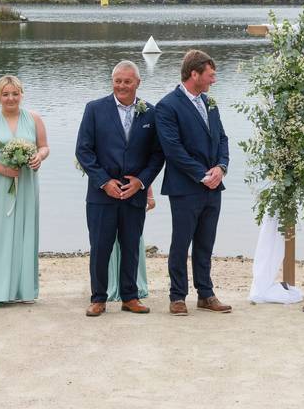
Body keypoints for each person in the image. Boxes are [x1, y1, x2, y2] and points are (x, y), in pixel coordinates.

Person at [76, 61, 164, 317]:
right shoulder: (94, 109)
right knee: (100, 247)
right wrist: (104, 181)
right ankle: (98, 298)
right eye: (117, 81)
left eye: (127, 81)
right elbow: (83, 150)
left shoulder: (151, 113)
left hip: (133, 194)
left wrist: (142, 181)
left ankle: (130, 297)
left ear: (138, 83)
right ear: (112, 81)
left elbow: (158, 155)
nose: (122, 86)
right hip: (101, 195)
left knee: (131, 246)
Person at [155, 50, 231, 316]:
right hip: (185, 187)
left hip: (213, 186)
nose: (214, 80)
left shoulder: (210, 103)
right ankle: (177, 296)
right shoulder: (167, 106)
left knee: (206, 242)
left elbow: (222, 138)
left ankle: (206, 294)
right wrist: (202, 175)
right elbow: (173, 149)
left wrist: (221, 168)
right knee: (181, 241)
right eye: (210, 75)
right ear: (194, 74)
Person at [0, 75, 49, 304]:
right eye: (5, 94)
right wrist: (3, 171)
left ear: (21, 94)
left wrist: (38, 157)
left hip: (26, 182)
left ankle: (22, 290)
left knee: (23, 231)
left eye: (15, 93)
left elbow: (44, 146)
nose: (10, 98)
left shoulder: (34, 119)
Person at [106, 187, 155, 303]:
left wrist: (149, 195)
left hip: (134, 198)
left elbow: (142, 170)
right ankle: (109, 285)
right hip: (105, 198)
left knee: (132, 243)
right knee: (105, 241)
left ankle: (130, 286)